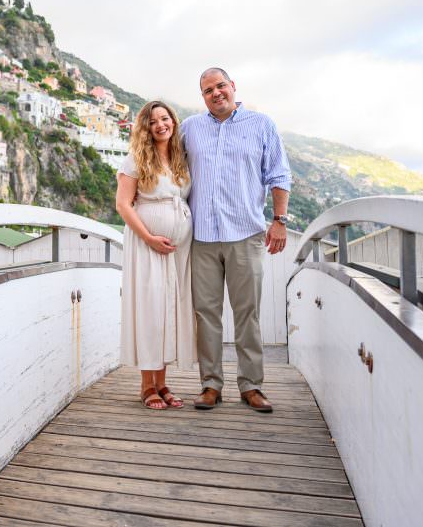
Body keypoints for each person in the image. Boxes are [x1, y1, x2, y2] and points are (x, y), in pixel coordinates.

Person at [181, 67, 292, 413]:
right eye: (208, 90)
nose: (216, 93)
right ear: (203, 97)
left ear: (233, 87)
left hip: (245, 234)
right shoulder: (189, 129)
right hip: (202, 237)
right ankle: (210, 385)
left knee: (248, 314)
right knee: (206, 314)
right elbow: (170, 169)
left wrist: (279, 220)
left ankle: (251, 386)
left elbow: (279, 174)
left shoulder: (261, 125)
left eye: (220, 86)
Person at [116, 101, 197, 410]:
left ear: (173, 122)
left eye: (165, 118)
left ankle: (162, 384)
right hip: (147, 244)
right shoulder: (135, 159)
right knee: (151, 309)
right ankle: (146, 386)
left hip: (178, 249)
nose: (161, 124)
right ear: (145, 127)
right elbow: (123, 204)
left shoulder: (180, 158)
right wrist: (149, 237)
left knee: (168, 309)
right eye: (153, 121)